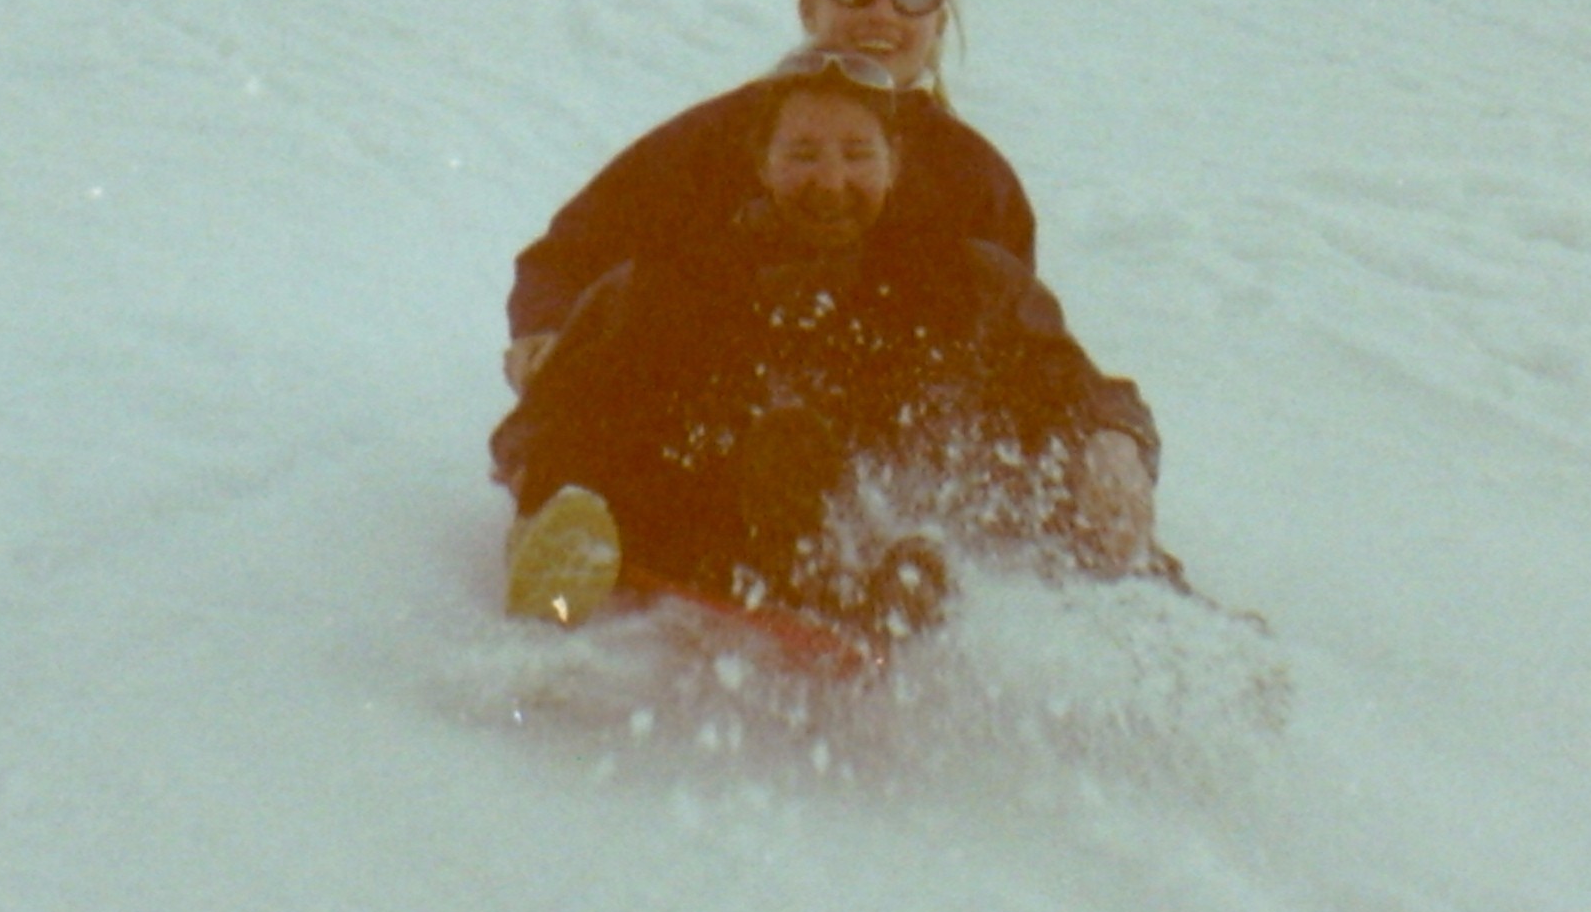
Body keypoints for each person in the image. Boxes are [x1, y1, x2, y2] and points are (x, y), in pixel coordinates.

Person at [490, 49, 1159, 638]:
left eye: (858, 155)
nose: (831, 182)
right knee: (779, 445)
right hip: (713, 524)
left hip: (892, 522)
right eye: (803, 155)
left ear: (894, 164)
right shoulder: (674, 279)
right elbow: (550, 415)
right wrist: (540, 495)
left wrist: (1114, 441)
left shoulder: (963, 277)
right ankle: (839, 579)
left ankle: (908, 587)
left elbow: (1071, 382)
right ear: (763, 165)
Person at [500, 0, 1030, 393]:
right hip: (712, 413)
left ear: (938, 21)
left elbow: (1020, 332)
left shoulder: (973, 175)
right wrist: (544, 332)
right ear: (809, 8)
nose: (884, 14)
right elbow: (569, 254)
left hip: (897, 425)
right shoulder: (719, 135)